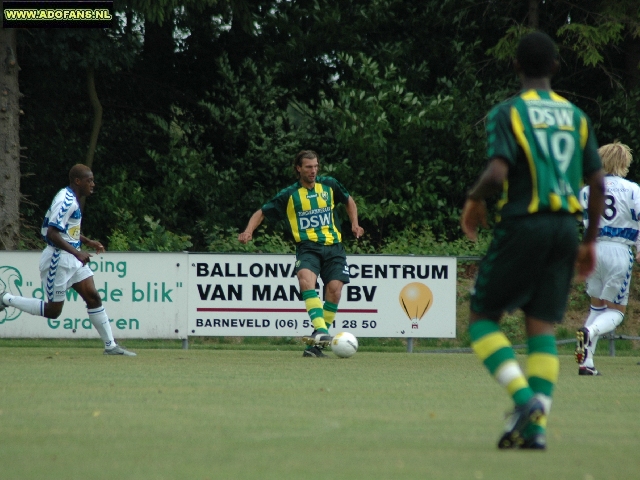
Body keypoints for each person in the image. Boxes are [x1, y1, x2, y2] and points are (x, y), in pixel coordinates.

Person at [460, 31, 604, 450]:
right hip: (565, 229)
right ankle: (535, 430)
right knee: (541, 327)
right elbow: (597, 183)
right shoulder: (576, 116)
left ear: (516, 66)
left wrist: (473, 200)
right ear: (556, 66)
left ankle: (525, 403)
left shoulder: (508, 112)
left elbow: (497, 173)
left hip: (524, 224)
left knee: (483, 319)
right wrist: (589, 241)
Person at [238, 150, 364, 357]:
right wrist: (248, 231)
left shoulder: (329, 185)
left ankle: (315, 346)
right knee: (305, 279)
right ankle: (322, 332)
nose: (313, 170)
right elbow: (261, 212)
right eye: (308, 167)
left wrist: (355, 224)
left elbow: (349, 200)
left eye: (316, 166)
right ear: (298, 168)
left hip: (334, 247)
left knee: (335, 290)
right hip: (308, 247)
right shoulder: (289, 194)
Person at [0, 164, 136, 356]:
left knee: (93, 296)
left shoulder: (71, 198)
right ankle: (6, 299)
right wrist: (77, 253)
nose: (93, 184)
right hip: (58, 258)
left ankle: (110, 346)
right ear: (78, 181)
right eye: (89, 180)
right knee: (53, 312)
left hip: (71, 257)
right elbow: (52, 232)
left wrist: (87, 242)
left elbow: (66, 229)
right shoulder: (66, 200)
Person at [575, 142, 640, 375]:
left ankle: (586, 363)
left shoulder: (588, 189)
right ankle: (589, 333)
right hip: (618, 250)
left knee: (597, 305)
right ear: (624, 163)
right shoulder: (632, 189)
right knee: (616, 311)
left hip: (592, 249)